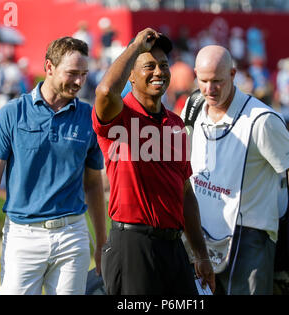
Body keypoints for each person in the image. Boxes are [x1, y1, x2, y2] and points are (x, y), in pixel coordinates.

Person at [181, 45, 289, 295]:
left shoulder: (262, 120)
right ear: (195, 74)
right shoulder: (193, 105)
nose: (209, 89)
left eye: (217, 81)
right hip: (201, 235)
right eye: (203, 80)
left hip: (250, 237)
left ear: (232, 74)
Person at [0, 37, 107, 295]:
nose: (79, 82)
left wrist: (101, 242)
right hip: (22, 235)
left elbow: (94, 184)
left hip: (72, 235)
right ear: (49, 67)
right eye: (72, 73)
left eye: (84, 74)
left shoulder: (89, 117)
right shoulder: (13, 113)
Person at [92, 28, 214, 295]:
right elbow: (103, 92)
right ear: (131, 76)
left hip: (174, 248)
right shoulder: (119, 116)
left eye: (163, 65)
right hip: (133, 245)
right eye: (149, 66)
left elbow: (185, 192)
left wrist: (201, 255)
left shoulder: (176, 124)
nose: (159, 71)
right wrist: (135, 46)